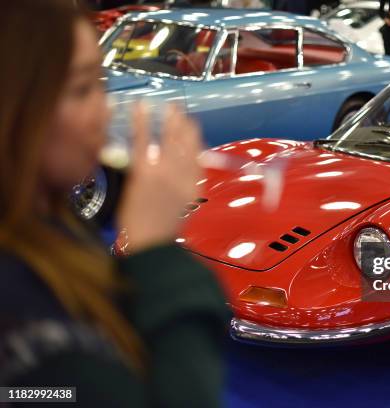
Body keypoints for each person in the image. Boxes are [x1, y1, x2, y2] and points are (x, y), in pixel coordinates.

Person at [0, 1, 229, 407]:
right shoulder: (20, 313)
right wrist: (155, 250)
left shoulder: (51, 228)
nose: (103, 112)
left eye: (100, 85)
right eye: (82, 89)